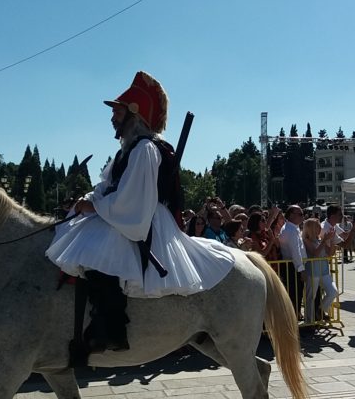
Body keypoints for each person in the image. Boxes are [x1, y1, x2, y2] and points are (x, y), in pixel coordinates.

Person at [46, 71, 235, 352]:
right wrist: (86, 201)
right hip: (124, 214)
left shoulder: (145, 149)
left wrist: (96, 206)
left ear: (134, 115)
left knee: (100, 257)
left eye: (118, 112)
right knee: (89, 249)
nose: (112, 118)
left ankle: (111, 330)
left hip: (142, 219)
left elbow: (132, 200)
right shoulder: (127, 151)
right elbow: (107, 188)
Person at [301, 218, 339, 324]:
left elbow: (330, 253)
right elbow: (315, 253)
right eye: (317, 226)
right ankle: (309, 320)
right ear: (311, 228)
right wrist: (324, 240)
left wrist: (331, 240)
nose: (320, 228)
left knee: (333, 291)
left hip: (324, 270)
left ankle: (321, 310)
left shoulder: (319, 239)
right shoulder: (306, 240)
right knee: (310, 297)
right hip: (312, 271)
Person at [277, 205, 307, 314]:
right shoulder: (291, 230)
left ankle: (295, 315)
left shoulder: (291, 228)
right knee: (295, 294)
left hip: (292, 265)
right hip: (293, 267)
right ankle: (294, 317)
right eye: (300, 214)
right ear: (291, 215)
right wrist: (301, 270)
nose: (302, 216)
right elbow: (296, 252)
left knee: (295, 294)